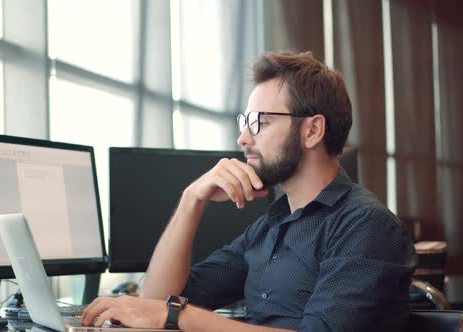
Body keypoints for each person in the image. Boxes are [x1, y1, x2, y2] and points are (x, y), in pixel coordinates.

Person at [81, 51, 417, 331]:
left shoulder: (367, 226)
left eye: (261, 122)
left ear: (313, 130)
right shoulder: (271, 226)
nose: (243, 138)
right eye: (245, 122)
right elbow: (156, 300)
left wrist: (177, 315)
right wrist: (191, 201)